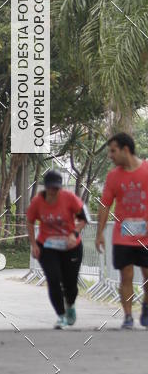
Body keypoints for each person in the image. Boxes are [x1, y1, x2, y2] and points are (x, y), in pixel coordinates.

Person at [96, 132, 148, 329]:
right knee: (126, 275)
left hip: (146, 236)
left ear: (125, 149)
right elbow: (105, 204)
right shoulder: (113, 176)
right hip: (123, 236)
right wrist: (100, 232)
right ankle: (127, 317)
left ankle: (146, 306)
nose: (110, 155)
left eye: (113, 151)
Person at [27, 170, 88, 329]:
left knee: (70, 283)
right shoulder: (37, 202)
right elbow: (30, 222)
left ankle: (70, 304)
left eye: (57, 188)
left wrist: (74, 233)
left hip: (71, 246)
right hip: (47, 246)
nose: (54, 192)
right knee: (53, 279)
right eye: (51, 188)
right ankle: (61, 316)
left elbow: (84, 218)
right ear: (45, 187)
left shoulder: (69, 198)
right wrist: (34, 244)